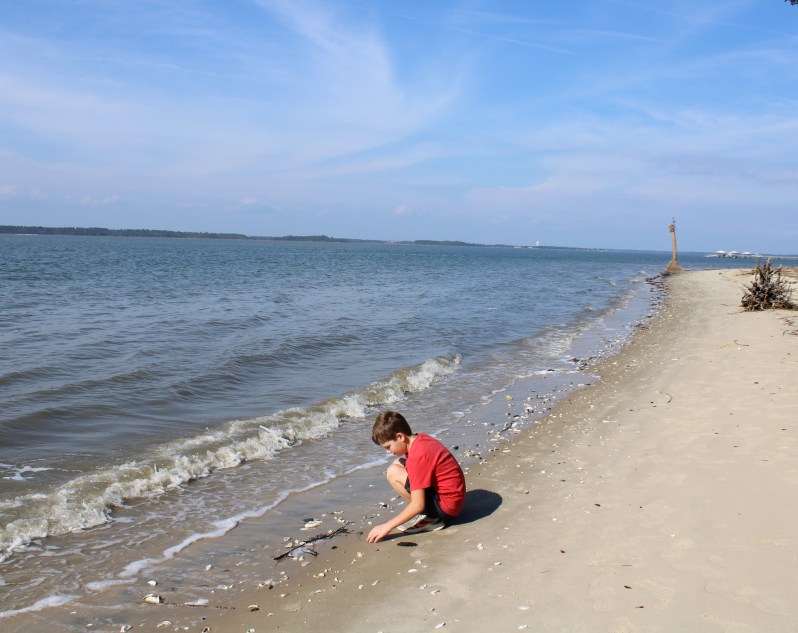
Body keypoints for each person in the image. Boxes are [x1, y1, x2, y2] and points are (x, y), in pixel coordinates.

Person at [367, 410, 466, 543]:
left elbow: (418, 505)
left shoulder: (417, 457)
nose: (388, 452)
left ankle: (431, 518)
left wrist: (387, 526)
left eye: (388, 446)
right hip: (453, 500)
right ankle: (429, 513)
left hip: (446, 509)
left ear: (400, 437)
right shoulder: (420, 439)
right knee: (398, 463)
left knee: (393, 472)